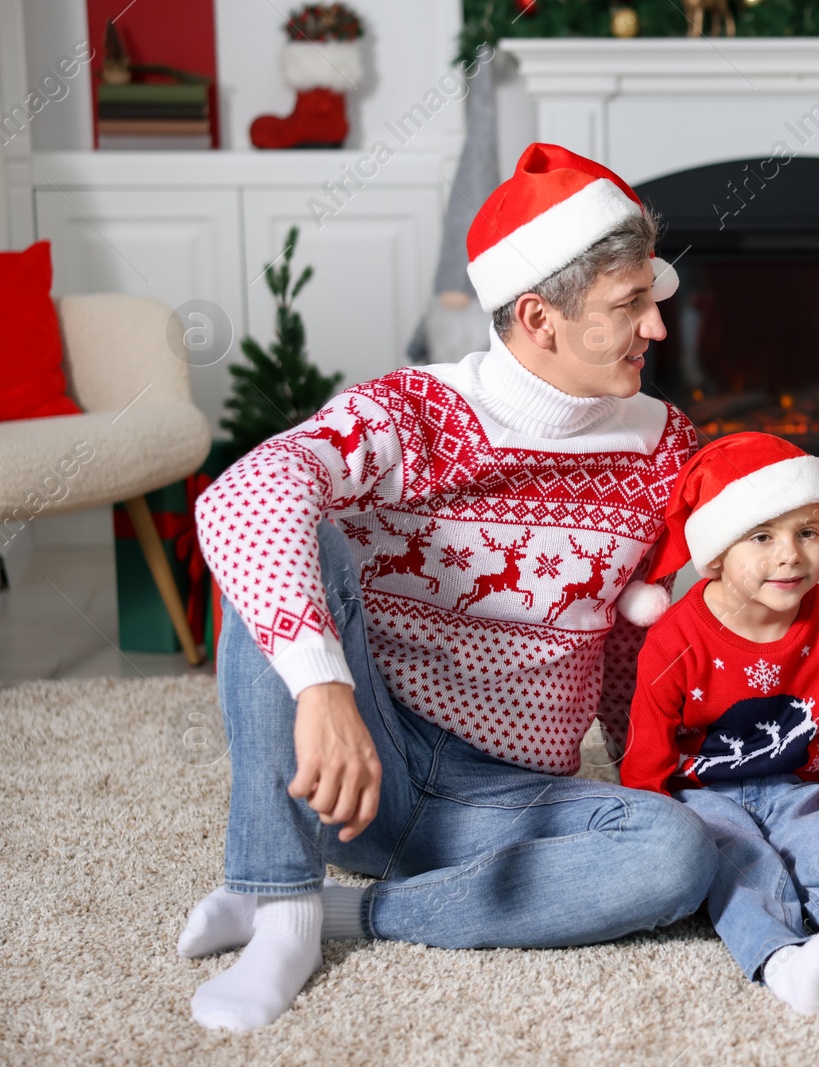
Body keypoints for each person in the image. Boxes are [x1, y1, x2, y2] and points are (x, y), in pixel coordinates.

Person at [179, 144, 720, 1031]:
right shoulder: (413, 412)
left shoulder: (664, 445)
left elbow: (633, 634)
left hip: (506, 802)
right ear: (542, 318)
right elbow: (244, 494)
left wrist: (644, 778)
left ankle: (359, 914)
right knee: (294, 531)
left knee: (675, 854)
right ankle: (276, 898)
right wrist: (323, 689)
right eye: (630, 307)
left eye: (652, 300)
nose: (658, 329)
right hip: (361, 770)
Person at [621, 432, 819, 1014]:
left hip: (795, 786)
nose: (790, 554)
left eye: (806, 533)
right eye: (762, 537)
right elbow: (645, 757)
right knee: (743, 866)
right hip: (700, 793)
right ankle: (786, 961)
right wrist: (655, 838)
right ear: (716, 554)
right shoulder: (674, 641)